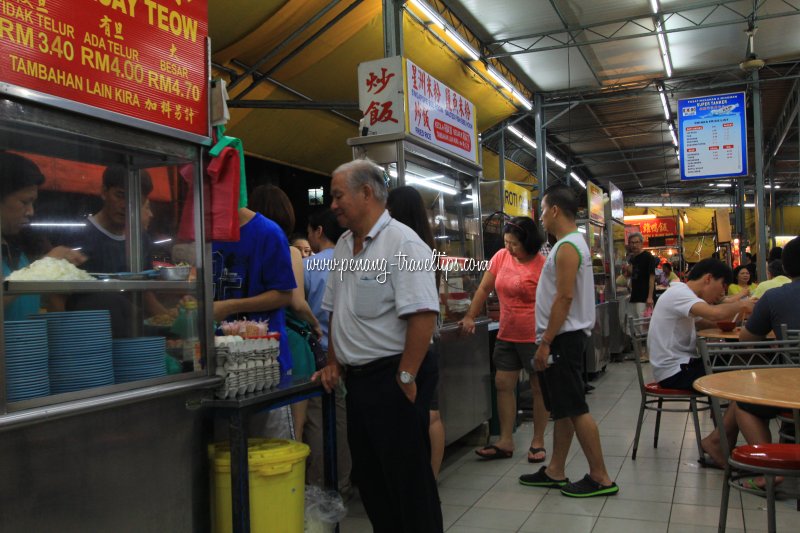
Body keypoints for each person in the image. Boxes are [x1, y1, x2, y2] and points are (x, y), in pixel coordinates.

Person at [314, 159, 442, 532]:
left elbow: (422, 315)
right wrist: (335, 363)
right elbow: (337, 312)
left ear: (366, 192)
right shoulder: (341, 245)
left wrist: (406, 375)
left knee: (408, 483)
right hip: (359, 382)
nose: (333, 204)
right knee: (371, 480)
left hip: (395, 375)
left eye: (338, 195)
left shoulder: (403, 243)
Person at [519, 184, 618, 498]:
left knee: (575, 408)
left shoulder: (566, 247)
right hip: (566, 337)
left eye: (542, 210)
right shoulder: (572, 243)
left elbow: (564, 298)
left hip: (564, 339)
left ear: (554, 210)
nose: (541, 217)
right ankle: (555, 470)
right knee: (563, 408)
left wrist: (545, 342)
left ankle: (600, 476)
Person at [646, 258, 754, 468]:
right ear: (708, 279)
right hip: (675, 371)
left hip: (681, 365)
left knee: (739, 369)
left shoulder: (683, 295)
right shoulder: (680, 293)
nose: (721, 293)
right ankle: (717, 442)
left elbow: (706, 320)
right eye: (721, 286)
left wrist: (730, 316)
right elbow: (713, 313)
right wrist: (742, 304)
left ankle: (721, 440)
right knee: (741, 382)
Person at [459, 215, 549, 465]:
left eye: (514, 244)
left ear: (529, 243)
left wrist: (549, 339)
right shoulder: (500, 257)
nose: (509, 248)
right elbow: (483, 289)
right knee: (502, 384)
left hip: (534, 336)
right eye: (506, 242)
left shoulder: (542, 264)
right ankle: (505, 441)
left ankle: (538, 441)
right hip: (507, 334)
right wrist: (469, 315)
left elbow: (554, 302)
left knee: (539, 388)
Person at [249, 184, 322, 442]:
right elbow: (297, 302)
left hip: (249, 345)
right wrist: (315, 324)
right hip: (288, 344)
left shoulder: (246, 245)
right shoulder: (288, 250)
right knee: (294, 427)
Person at [63, 165, 168, 335]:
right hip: (87, 335)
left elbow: (145, 291)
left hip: (131, 334)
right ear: (104, 191)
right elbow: (58, 295)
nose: (126, 205)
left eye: (135, 200)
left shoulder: (141, 239)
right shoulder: (78, 235)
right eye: (120, 195)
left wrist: (170, 321)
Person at [387, 186, 448, 477]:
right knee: (431, 414)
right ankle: (432, 476)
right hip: (430, 341)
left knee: (421, 415)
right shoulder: (428, 245)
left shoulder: (405, 248)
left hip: (413, 346)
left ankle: (421, 477)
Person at [736, 236, 800, 487]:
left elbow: (747, 339)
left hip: (792, 388)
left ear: (785, 267)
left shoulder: (774, 297)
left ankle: (773, 469)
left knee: (745, 403)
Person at [301, 208, 352, 496]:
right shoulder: (356, 261)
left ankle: (320, 487)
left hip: (318, 355)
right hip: (349, 355)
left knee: (317, 422)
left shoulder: (309, 267)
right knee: (342, 421)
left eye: (309, 232)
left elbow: (301, 308)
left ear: (319, 231)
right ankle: (343, 482)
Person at [1, 152, 87, 320]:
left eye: (33, 203)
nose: (31, 211)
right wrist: (46, 265)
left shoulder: (15, 252)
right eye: (24, 202)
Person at [627, 232, 656, 361]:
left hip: (644, 297)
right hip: (634, 296)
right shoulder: (632, 259)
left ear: (641, 243)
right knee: (635, 326)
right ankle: (639, 353)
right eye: (632, 243)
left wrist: (650, 297)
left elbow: (651, 278)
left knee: (645, 326)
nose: (634, 245)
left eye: (636, 242)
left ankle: (648, 354)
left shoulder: (648, 257)